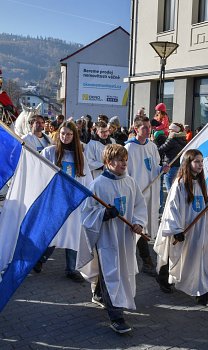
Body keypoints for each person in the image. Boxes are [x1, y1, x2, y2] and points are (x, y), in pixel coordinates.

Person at [79, 144, 147, 334]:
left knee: (118, 272)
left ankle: (99, 293)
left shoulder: (130, 182)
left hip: (125, 237)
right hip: (107, 239)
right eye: (119, 160)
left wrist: (138, 223)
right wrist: (104, 214)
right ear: (108, 162)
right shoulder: (97, 185)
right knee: (111, 273)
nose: (124, 163)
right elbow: (86, 215)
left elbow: (139, 206)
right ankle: (116, 317)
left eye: (125, 159)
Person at [154, 149, 208, 307]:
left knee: (200, 259)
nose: (200, 165)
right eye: (197, 161)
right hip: (183, 228)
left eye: (202, 161)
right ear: (188, 163)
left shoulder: (202, 183)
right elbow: (172, 208)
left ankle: (203, 295)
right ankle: (163, 278)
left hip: (198, 230)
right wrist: (176, 230)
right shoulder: (180, 183)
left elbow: (200, 207)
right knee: (174, 255)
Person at [37, 121, 93, 281]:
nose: (65, 137)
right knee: (54, 231)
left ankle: (71, 269)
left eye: (69, 134)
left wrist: (89, 196)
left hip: (74, 202)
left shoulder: (79, 155)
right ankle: (40, 259)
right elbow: (40, 173)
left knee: (73, 233)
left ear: (74, 136)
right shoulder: (50, 152)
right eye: (63, 133)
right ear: (58, 134)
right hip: (56, 201)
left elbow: (87, 178)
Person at [124, 115, 170, 275]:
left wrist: (162, 169)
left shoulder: (152, 146)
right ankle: (146, 261)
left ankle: (145, 260)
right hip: (137, 194)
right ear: (136, 129)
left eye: (149, 127)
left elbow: (155, 167)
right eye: (144, 127)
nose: (148, 129)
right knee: (138, 226)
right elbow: (125, 173)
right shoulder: (129, 148)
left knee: (146, 226)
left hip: (150, 192)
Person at [158, 122, 187, 191]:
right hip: (179, 166)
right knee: (176, 189)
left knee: (170, 190)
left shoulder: (171, 139)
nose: (168, 131)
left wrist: (154, 142)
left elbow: (160, 150)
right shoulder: (183, 139)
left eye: (170, 130)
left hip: (170, 166)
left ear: (174, 131)